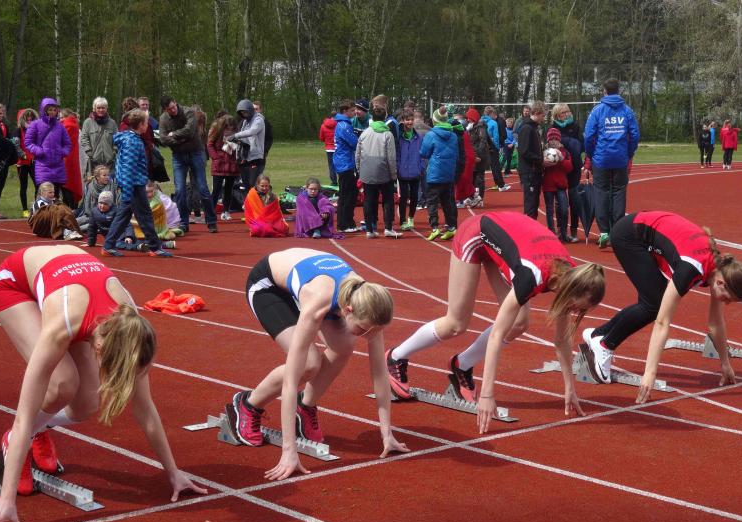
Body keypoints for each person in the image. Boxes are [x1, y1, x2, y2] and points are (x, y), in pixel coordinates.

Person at [0, 245, 207, 522]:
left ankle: (41, 430)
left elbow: (145, 407)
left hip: (72, 288)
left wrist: (173, 471)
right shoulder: (63, 326)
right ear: (99, 347)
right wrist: (6, 499)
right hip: (15, 284)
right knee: (62, 383)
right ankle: (14, 442)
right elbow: (23, 416)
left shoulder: (131, 327)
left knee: (87, 404)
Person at [386, 211, 606, 431]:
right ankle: (396, 357)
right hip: (476, 235)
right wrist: (487, 394)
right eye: (576, 306)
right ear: (570, 290)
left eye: (581, 310)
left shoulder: (574, 276)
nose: (575, 311)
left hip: (505, 240)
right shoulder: (531, 276)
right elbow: (496, 335)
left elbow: (561, 340)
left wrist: (569, 388)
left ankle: (462, 365)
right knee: (456, 323)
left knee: (518, 322)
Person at [225, 248, 409, 480]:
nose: (369, 335)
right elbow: (291, 381)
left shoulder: (369, 301)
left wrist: (386, 433)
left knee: (344, 346)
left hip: (315, 288)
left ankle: (305, 407)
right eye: (364, 329)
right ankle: (248, 405)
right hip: (268, 287)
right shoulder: (318, 302)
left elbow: (379, 373)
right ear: (348, 311)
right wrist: (289, 451)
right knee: (307, 364)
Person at [580, 210, 742, 404]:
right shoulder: (691, 269)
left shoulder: (719, 268)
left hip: (646, 233)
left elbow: (715, 322)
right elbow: (662, 323)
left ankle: (598, 335)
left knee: (653, 301)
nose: (727, 303)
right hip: (630, 236)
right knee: (653, 305)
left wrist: (725, 363)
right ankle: (605, 345)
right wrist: (650, 374)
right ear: (721, 283)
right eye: (729, 299)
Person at [102, 109, 172, 257]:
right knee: (144, 216)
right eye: (146, 122)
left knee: (124, 216)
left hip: (134, 185)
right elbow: (128, 169)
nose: (148, 125)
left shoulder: (131, 139)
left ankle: (108, 245)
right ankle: (155, 247)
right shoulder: (132, 142)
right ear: (140, 125)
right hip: (133, 186)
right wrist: (128, 192)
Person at [583, 79, 640, 249]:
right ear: (618, 90)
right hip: (620, 158)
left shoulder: (597, 110)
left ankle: (604, 232)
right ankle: (617, 232)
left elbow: (588, 136)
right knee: (619, 192)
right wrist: (629, 152)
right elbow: (635, 135)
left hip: (601, 158)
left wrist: (591, 154)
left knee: (601, 192)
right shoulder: (627, 110)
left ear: (604, 91)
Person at [158, 95, 217, 233]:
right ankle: (183, 222)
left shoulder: (188, 112)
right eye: (169, 109)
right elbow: (163, 138)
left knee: (202, 187)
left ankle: (211, 220)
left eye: (173, 107)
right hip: (178, 155)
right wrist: (180, 139)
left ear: (175, 102)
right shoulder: (163, 119)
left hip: (196, 152)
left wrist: (173, 134)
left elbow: (190, 131)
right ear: (165, 110)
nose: (173, 110)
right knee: (180, 190)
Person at [356, 106, 399, 239]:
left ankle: (370, 230)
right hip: (383, 171)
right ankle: (388, 228)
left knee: (369, 200)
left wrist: (360, 170)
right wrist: (394, 174)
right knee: (388, 200)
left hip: (367, 171)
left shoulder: (365, 133)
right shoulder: (388, 134)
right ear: (385, 117)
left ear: (372, 118)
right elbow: (391, 157)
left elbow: (358, 154)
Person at [421, 106, 458, 241]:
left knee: (431, 201)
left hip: (435, 174)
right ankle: (451, 227)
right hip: (449, 173)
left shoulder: (431, 135)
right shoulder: (453, 135)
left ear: (435, 120)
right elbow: (456, 154)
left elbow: (424, 153)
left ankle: (434, 228)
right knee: (447, 201)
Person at [25, 98, 71, 204]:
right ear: (44, 110)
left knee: (55, 194)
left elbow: (67, 144)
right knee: (42, 193)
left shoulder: (60, 126)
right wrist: (39, 151)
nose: (52, 112)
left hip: (58, 165)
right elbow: (28, 143)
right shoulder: (35, 124)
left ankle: (54, 214)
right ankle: (39, 213)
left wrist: (62, 152)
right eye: (50, 110)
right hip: (42, 165)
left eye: (54, 110)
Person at [551, 103, 584, 241]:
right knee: (560, 201)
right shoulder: (553, 127)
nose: (567, 114)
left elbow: (582, 145)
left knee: (574, 199)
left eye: (568, 111)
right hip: (559, 168)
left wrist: (568, 144)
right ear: (557, 115)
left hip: (574, 167)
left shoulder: (575, 126)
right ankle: (561, 231)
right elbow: (551, 145)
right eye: (564, 112)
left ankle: (574, 231)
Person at [541, 128, 573, 240]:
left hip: (561, 185)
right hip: (548, 185)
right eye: (551, 139)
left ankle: (563, 232)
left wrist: (561, 159)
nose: (554, 141)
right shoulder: (544, 152)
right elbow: (539, 168)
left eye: (556, 139)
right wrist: (543, 164)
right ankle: (551, 232)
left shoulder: (564, 152)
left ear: (559, 140)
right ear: (548, 140)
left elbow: (569, 168)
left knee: (564, 209)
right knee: (550, 210)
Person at [516, 100, 546, 220]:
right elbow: (524, 151)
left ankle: (531, 228)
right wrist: (541, 160)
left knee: (534, 204)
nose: (544, 118)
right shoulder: (527, 128)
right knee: (530, 206)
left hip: (535, 171)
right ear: (537, 113)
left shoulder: (534, 128)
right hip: (529, 172)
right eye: (543, 115)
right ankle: (527, 229)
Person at [332, 99, 359, 233]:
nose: (355, 112)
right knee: (348, 194)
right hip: (345, 163)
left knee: (348, 193)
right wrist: (359, 136)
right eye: (352, 110)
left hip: (344, 162)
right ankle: (344, 224)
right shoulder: (344, 126)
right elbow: (355, 143)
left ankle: (347, 222)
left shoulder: (343, 124)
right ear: (345, 111)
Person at [206, 114, 239, 220]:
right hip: (219, 165)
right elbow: (209, 144)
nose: (229, 131)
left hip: (232, 165)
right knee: (216, 189)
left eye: (231, 129)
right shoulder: (216, 131)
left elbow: (239, 147)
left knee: (229, 189)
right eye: (227, 128)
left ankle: (226, 211)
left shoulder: (237, 134)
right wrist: (216, 158)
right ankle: (211, 213)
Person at [79, 97, 117, 180]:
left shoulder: (112, 123)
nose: (101, 110)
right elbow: (84, 138)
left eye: (103, 108)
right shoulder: (88, 122)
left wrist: (114, 152)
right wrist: (89, 152)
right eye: (98, 108)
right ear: (94, 108)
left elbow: (116, 140)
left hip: (109, 163)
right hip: (93, 162)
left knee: (108, 186)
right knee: (93, 185)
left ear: (106, 108)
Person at [396, 109, 422, 230]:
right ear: (403, 120)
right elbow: (396, 154)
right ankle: (402, 220)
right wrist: (397, 167)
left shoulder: (418, 137)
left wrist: (420, 167)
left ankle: (411, 218)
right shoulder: (399, 137)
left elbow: (422, 154)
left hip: (415, 171)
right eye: (407, 120)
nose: (410, 122)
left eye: (411, 119)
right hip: (402, 172)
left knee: (414, 197)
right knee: (404, 197)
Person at [13, 108, 39, 218]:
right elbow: (15, 145)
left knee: (38, 184)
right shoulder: (18, 130)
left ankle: (36, 207)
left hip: (33, 161)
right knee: (24, 186)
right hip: (22, 162)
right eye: (27, 117)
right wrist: (23, 155)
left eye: (31, 117)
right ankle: (25, 210)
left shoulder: (36, 130)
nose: (29, 119)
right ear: (22, 118)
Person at [77, 164, 119, 230]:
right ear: (97, 177)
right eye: (104, 175)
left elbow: (115, 203)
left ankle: (77, 229)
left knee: (82, 227)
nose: (107, 177)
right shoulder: (90, 186)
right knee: (74, 222)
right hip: (90, 214)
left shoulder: (112, 186)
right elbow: (85, 204)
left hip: (106, 215)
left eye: (108, 175)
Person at [466, 107, 490, 208]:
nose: (468, 119)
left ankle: (480, 198)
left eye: (469, 117)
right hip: (474, 154)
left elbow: (483, 141)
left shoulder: (481, 127)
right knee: (472, 177)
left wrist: (477, 154)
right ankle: (473, 197)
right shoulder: (471, 126)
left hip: (480, 156)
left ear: (473, 117)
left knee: (479, 178)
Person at [482, 106, 510, 192]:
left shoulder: (480, 121)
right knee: (496, 166)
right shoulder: (493, 123)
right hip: (492, 146)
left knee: (486, 167)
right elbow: (496, 137)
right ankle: (501, 185)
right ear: (491, 113)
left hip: (482, 147)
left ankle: (480, 187)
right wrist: (497, 147)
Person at [59, 109, 83, 209]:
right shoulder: (73, 125)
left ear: (66, 116)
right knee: (68, 187)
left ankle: (71, 210)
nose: (60, 120)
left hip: (66, 161)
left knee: (67, 187)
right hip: (70, 160)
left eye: (61, 117)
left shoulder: (67, 126)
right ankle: (71, 209)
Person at [319, 111, 338, 186]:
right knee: (340, 164)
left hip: (329, 148)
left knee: (331, 165)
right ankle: (342, 181)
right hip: (338, 147)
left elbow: (321, 138)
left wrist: (327, 140)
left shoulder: (323, 125)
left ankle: (334, 181)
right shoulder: (339, 124)